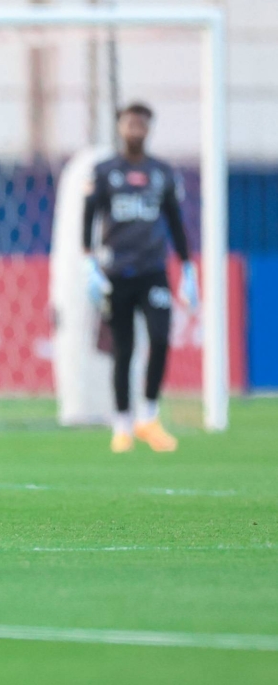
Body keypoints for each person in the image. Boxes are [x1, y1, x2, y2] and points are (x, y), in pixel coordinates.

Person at [83, 102, 198, 453]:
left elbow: (175, 221)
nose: (135, 129)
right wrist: (88, 263)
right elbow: (88, 217)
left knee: (160, 338)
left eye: (141, 124)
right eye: (129, 123)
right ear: (120, 127)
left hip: (153, 271)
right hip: (116, 273)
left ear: (149, 129)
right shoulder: (104, 171)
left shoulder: (161, 173)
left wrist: (187, 268)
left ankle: (148, 416)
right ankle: (122, 425)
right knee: (124, 349)